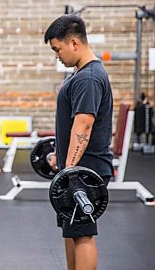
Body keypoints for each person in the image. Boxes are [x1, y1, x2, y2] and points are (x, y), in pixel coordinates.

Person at [44, 14, 113, 270]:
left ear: (74, 43)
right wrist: (59, 158)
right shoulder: (80, 74)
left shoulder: (89, 78)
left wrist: (69, 172)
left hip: (86, 170)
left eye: (57, 49)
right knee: (71, 229)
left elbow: (83, 125)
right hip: (77, 169)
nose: (57, 56)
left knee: (83, 232)